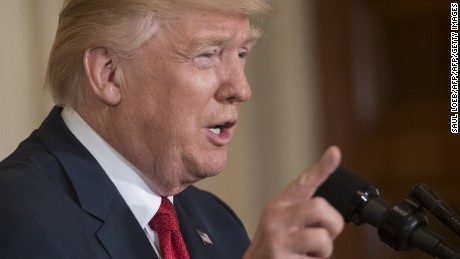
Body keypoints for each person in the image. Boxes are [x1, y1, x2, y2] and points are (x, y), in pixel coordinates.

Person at [0, 0, 344, 258]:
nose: (241, 88)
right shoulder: (17, 213)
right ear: (108, 73)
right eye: (208, 54)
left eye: (241, 54)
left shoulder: (216, 222)